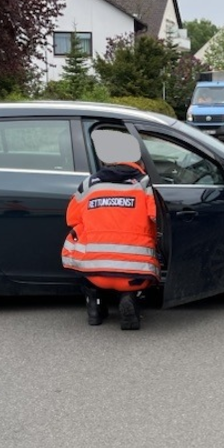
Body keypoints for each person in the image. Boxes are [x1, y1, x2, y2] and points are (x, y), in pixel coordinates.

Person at [61, 132, 159, 330]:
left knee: (77, 232)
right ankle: (129, 297)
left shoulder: (89, 185)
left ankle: (94, 304)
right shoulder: (145, 184)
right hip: (135, 276)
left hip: (95, 272)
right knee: (151, 239)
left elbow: (71, 218)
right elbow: (157, 217)